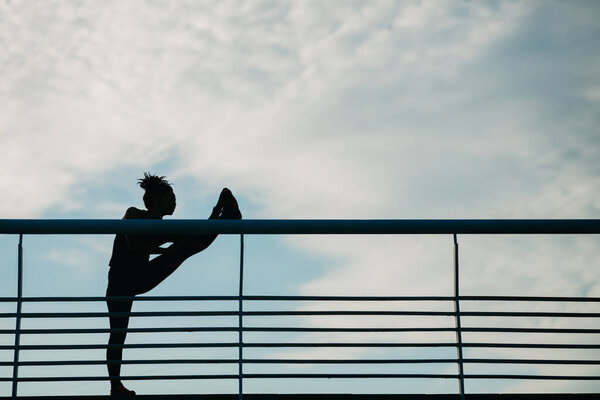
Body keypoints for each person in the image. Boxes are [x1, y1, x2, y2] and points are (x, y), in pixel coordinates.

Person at [106, 173, 241, 397]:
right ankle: (116, 386)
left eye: (174, 198)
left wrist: (215, 211)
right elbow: (133, 243)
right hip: (120, 283)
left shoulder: (165, 227)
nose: (174, 202)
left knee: (187, 246)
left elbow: (193, 238)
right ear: (155, 201)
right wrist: (167, 249)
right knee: (118, 333)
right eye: (170, 199)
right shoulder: (134, 214)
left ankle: (224, 217)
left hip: (141, 277)